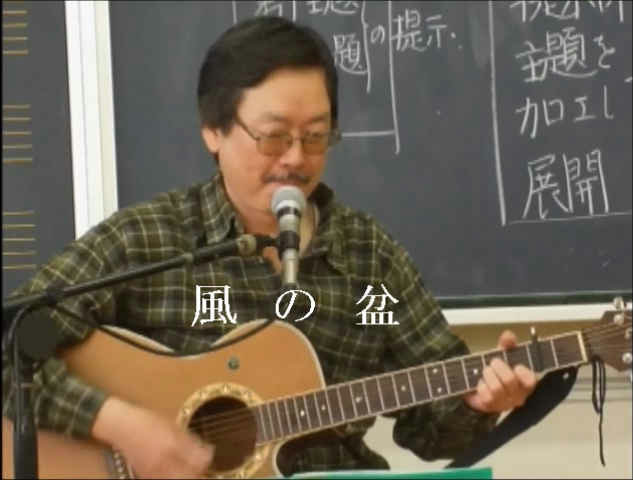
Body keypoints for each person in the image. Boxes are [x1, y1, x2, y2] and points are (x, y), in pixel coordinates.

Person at [2, 16, 536, 478]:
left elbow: (432, 431)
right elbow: (11, 343)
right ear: (214, 130)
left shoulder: (370, 259)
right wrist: (121, 424)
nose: (296, 159)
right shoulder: (146, 240)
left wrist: (481, 401)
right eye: (274, 136)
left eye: (316, 136)